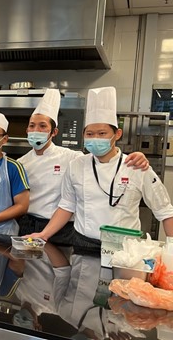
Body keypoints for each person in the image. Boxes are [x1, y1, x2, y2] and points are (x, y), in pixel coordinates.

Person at [28, 86, 173, 250]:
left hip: (125, 248)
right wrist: (44, 234)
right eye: (89, 134)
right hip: (83, 243)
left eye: (102, 133)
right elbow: (67, 206)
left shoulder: (136, 166)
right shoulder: (76, 165)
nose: (95, 138)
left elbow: (165, 211)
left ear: (117, 134)